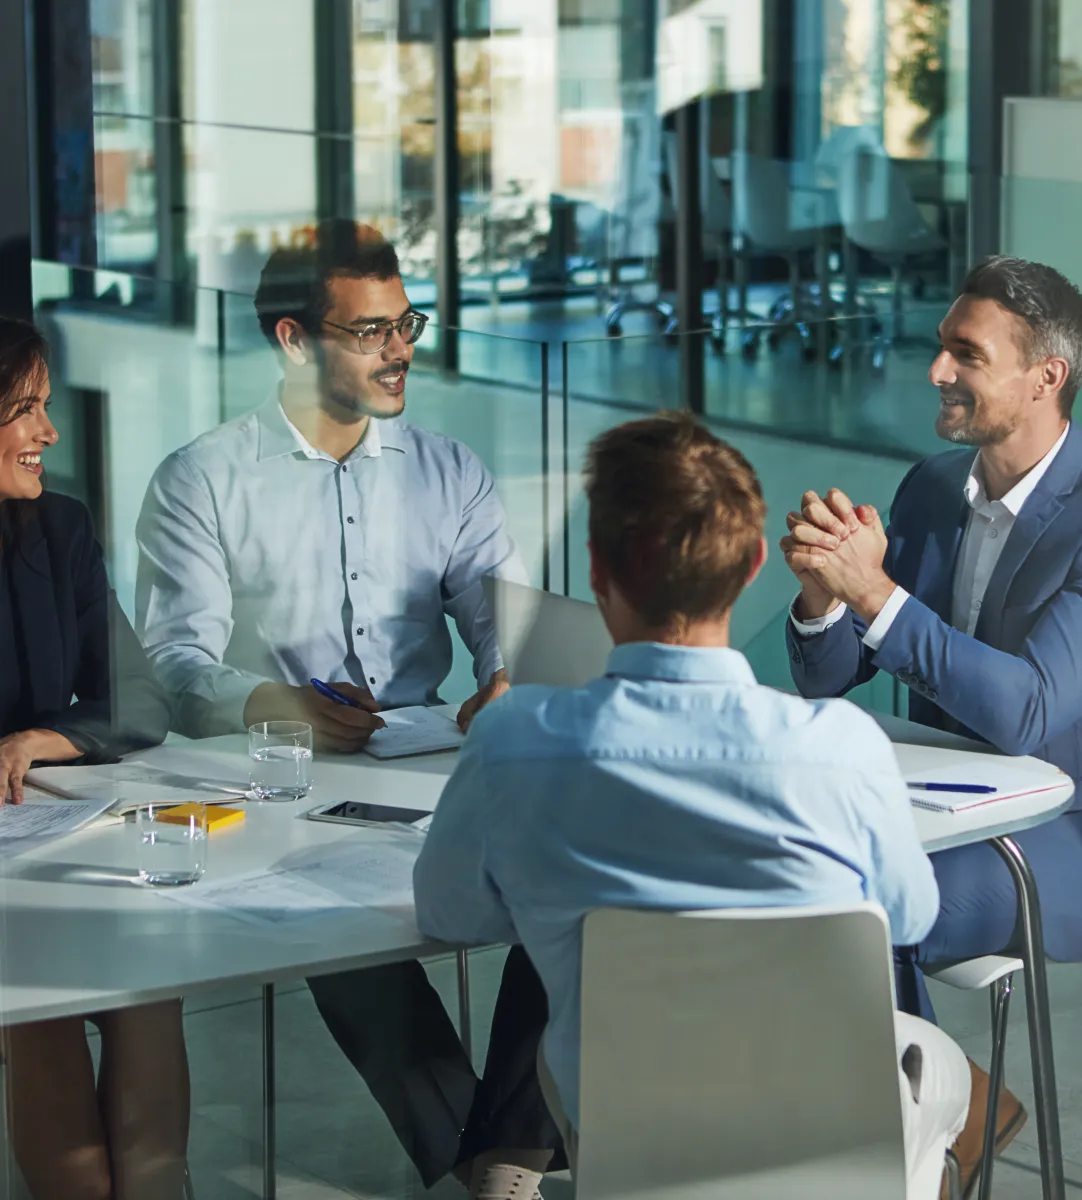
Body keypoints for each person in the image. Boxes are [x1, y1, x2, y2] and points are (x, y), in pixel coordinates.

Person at [414, 413, 969, 1200]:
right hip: (828, 1141)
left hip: (627, 1141)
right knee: (926, 1064)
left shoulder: (510, 743)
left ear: (598, 570)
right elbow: (909, 920)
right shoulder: (839, 749)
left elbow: (448, 910)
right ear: (750, 568)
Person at [133, 220, 562, 1191]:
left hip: (439, 764)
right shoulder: (201, 479)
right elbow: (172, 661)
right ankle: (502, 1172)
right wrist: (269, 703)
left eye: (404, 321)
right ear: (293, 341)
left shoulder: (448, 471)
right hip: (285, 785)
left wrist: (504, 671)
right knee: (332, 929)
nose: (400, 348)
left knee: (574, 876)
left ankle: (495, 1168)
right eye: (369, 331)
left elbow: (509, 616)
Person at [782, 256, 1082, 1192]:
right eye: (941, 348)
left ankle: (883, 1157)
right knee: (789, 881)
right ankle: (957, 1104)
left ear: (1046, 376)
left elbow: (1027, 711)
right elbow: (833, 679)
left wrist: (875, 593)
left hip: (1078, 841)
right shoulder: (933, 489)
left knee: (857, 913)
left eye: (966, 353)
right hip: (948, 815)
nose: (937, 371)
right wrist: (822, 603)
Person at [0, 316, 186, 1199]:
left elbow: (139, 700)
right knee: (44, 1010)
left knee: (148, 984)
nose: (49, 432)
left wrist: (44, 739)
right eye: (26, 410)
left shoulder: (58, 529)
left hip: (53, 824)